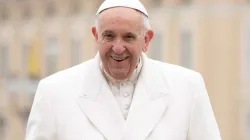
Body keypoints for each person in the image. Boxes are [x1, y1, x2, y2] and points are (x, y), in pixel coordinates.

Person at [25, 0, 221, 140]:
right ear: (96, 36)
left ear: (146, 39)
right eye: (109, 36)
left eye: (128, 37)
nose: (118, 48)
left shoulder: (187, 87)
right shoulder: (54, 91)